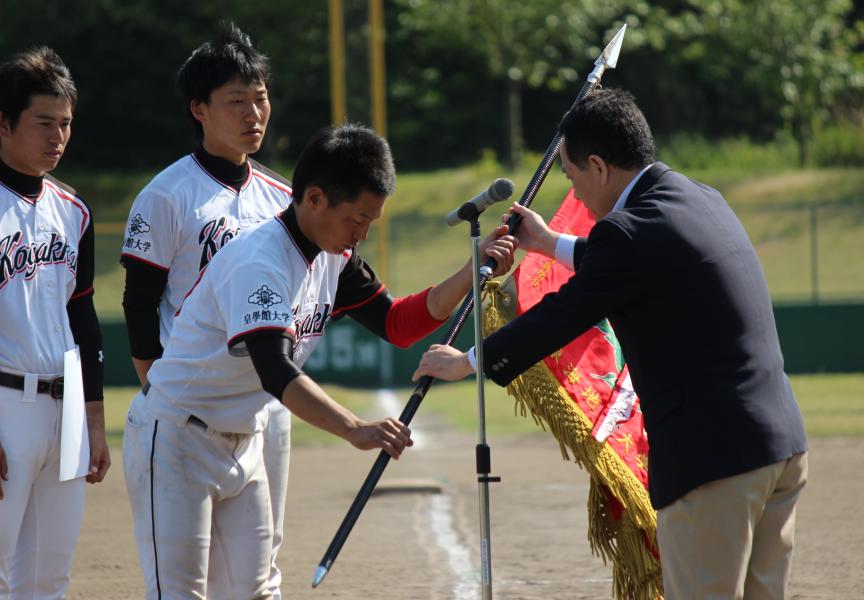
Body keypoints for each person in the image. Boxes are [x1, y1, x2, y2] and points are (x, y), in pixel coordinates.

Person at [414, 88, 809, 600]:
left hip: (716, 462)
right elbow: (626, 265)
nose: (574, 194)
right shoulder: (696, 197)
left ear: (598, 166)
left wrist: (468, 361)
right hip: (780, 446)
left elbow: (563, 315)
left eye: (573, 176)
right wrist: (546, 243)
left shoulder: (627, 233)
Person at [122, 122, 515, 598]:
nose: (362, 234)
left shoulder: (334, 253)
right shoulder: (258, 261)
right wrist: (355, 428)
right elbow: (277, 372)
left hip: (242, 443)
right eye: (356, 220)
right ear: (314, 199)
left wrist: (472, 272)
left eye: (371, 222)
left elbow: (397, 324)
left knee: (258, 592)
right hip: (177, 439)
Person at [119, 23, 294, 598]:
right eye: (236, 101)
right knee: (192, 579)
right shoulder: (168, 194)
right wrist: (160, 388)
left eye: (260, 97)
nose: (253, 113)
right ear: (199, 108)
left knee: (258, 571)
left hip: (267, 405)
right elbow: (140, 305)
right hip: (190, 408)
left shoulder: (283, 200)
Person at [0, 47, 110, 598]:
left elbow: (82, 316)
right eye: (44, 123)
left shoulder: (74, 210)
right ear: (3, 122)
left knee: (49, 577)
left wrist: (94, 420)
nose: (58, 137)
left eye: (65, 124)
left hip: (65, 408)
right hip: (3, 403)